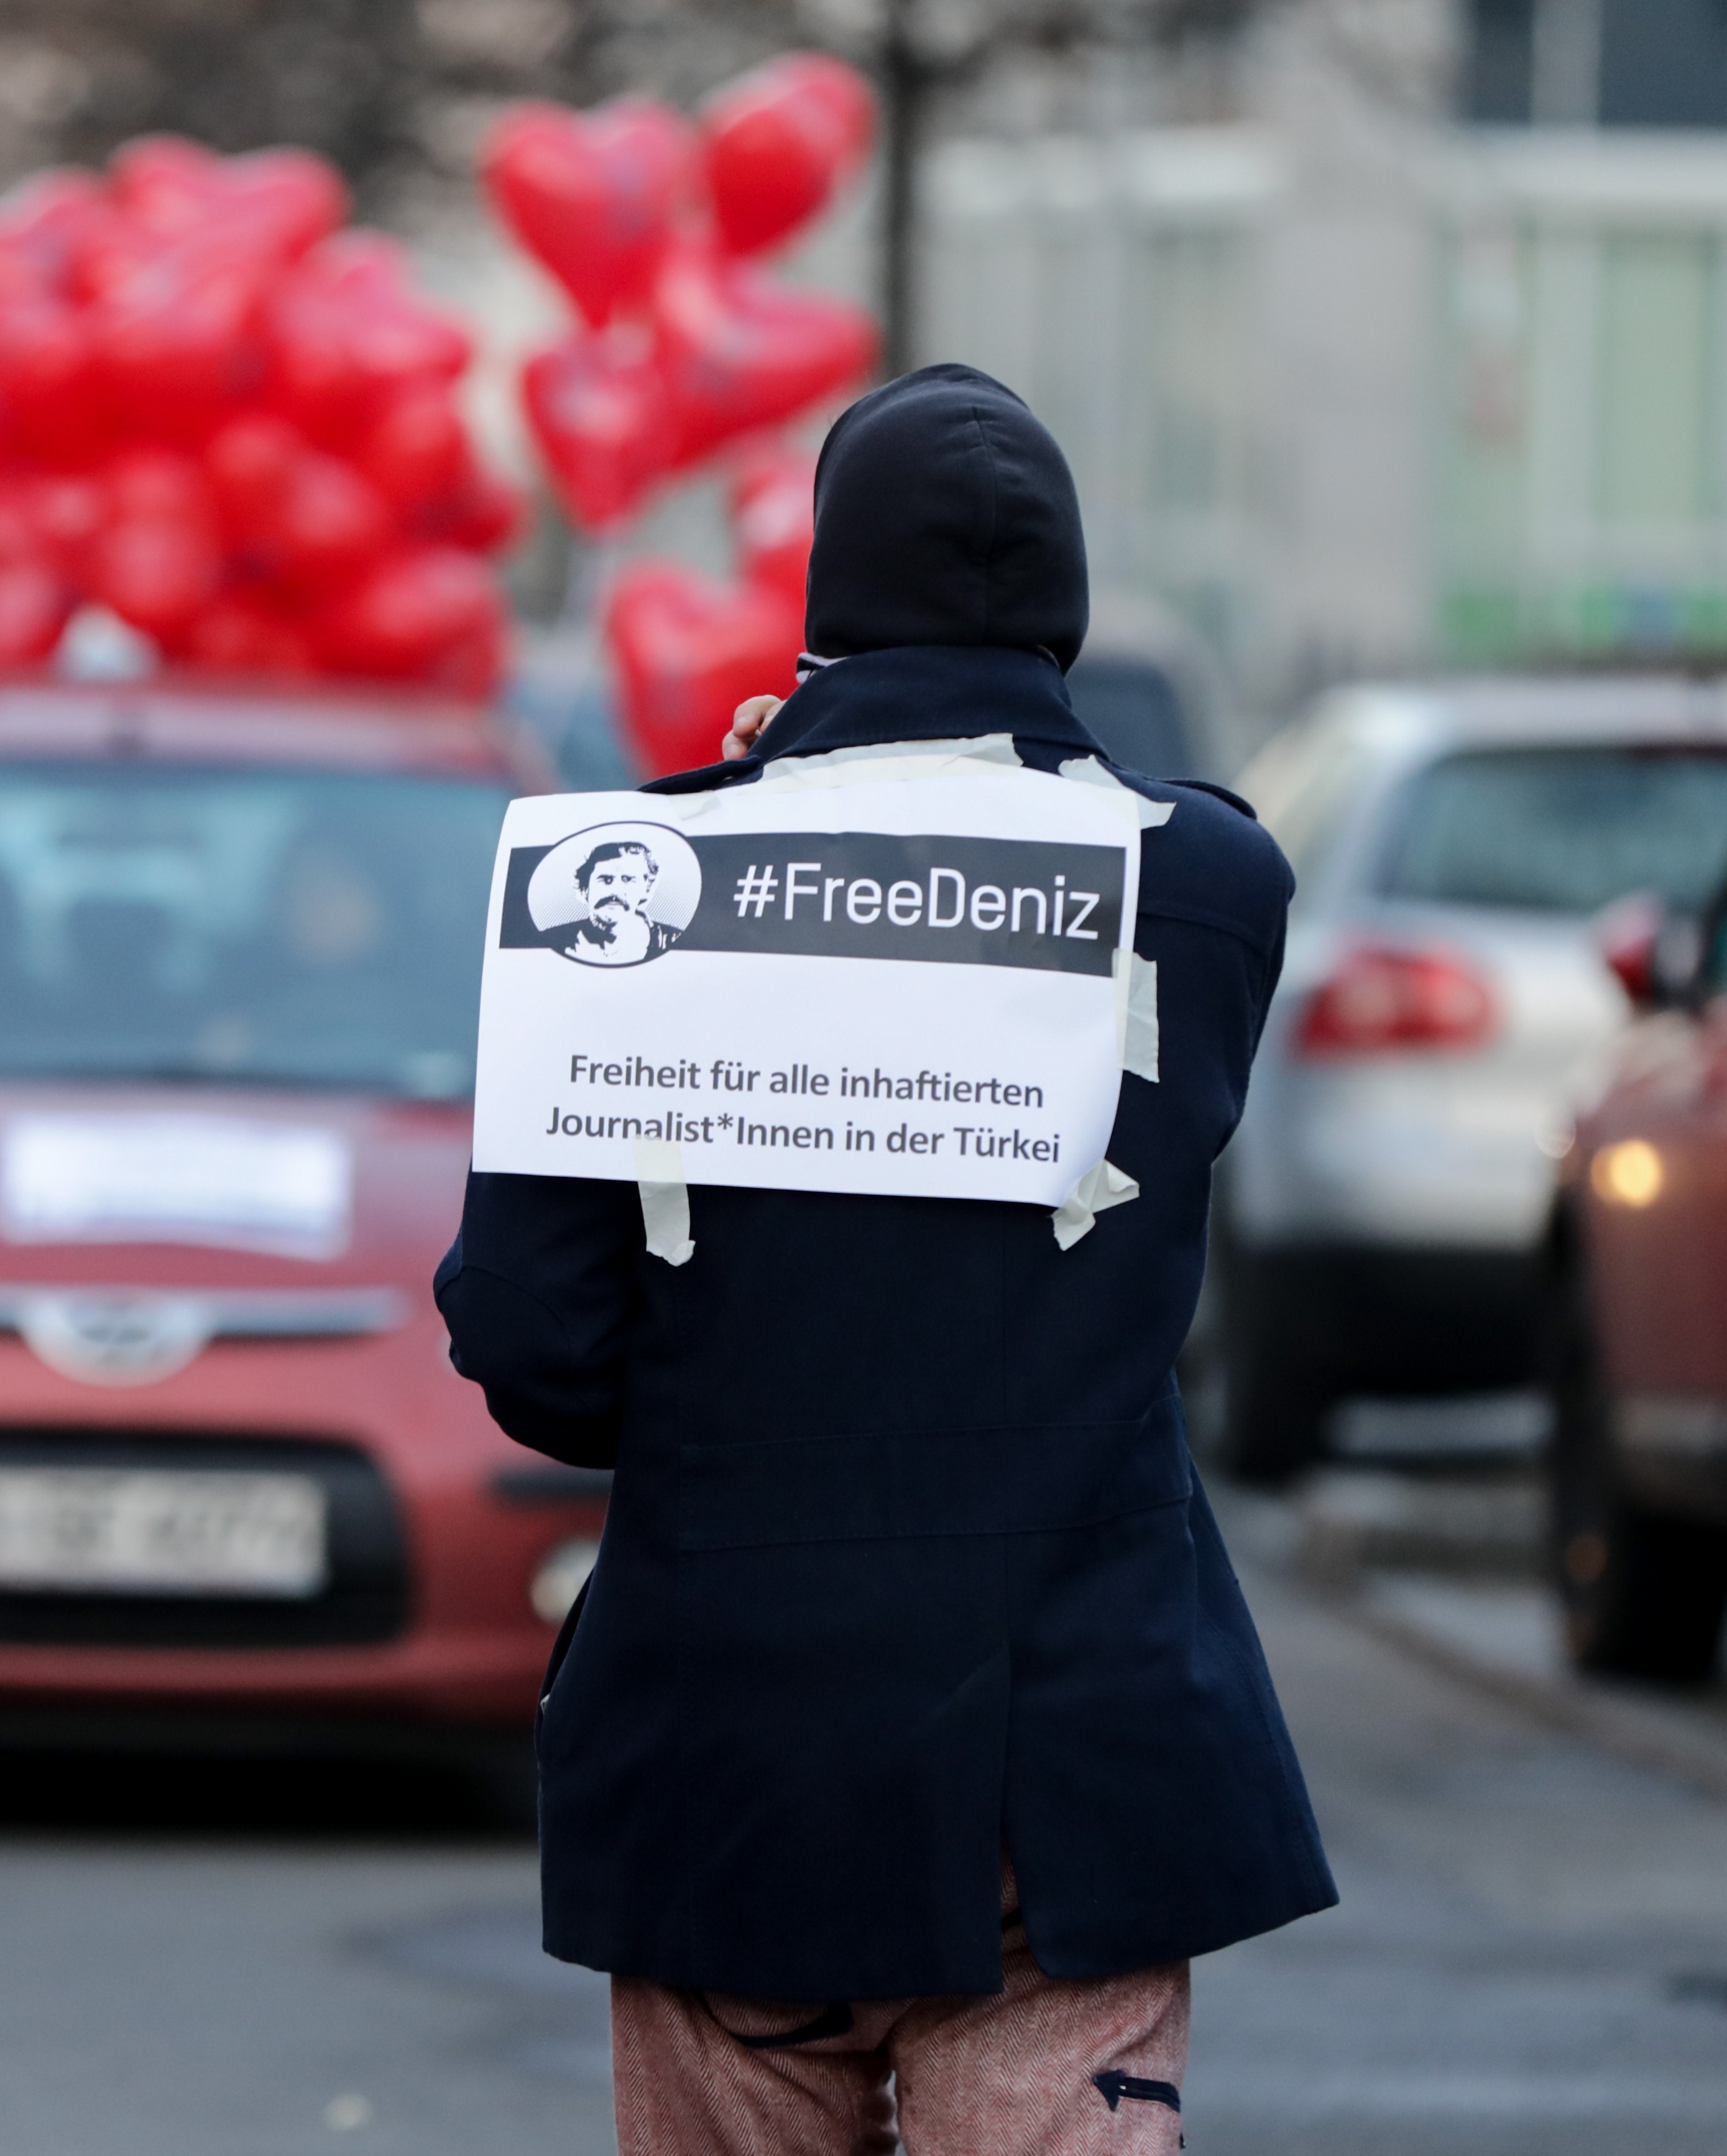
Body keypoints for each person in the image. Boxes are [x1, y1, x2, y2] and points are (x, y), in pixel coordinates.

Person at [435, 364, 1334, 2155]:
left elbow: (532, 1344)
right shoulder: (1206, 886)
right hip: (1062, 1773)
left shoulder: (626, 894)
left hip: (726, 1749)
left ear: (826, 593)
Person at [551, 838, 683, 964]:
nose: (615, 891)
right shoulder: (553, 940)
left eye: (627, 879)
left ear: (646, 889)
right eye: (606, 880)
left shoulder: (675, 940)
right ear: (585, 889)